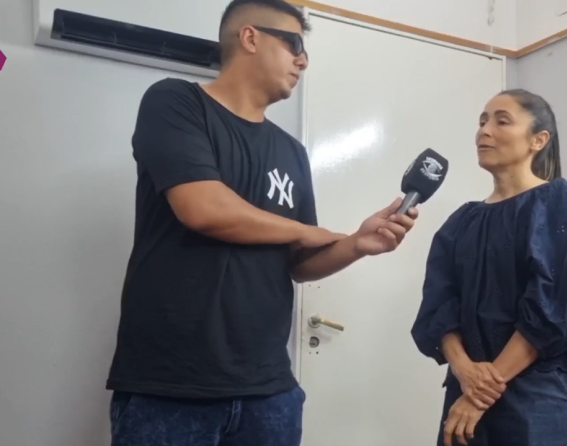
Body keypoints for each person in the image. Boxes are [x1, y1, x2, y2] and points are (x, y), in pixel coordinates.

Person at [105, 1, 419, 445]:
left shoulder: (292, 152)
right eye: (294, 45)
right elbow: (204, 209)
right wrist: (309, 231)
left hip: (269, 391)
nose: (303, 60)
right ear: (250, 38)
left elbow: (297, 263)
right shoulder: (174, 101)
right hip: (170, 387)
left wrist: (355, 244)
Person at [411, 89, 567, 446]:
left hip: (538, 394)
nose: (484, 130)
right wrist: (465, 371)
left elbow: (554, 309)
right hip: (466, 388)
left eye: (502, 121)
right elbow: (438, 306)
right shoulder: (461, 221)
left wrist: (481, 393)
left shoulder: (560, 202)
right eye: (482, 121)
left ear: (538, 140)